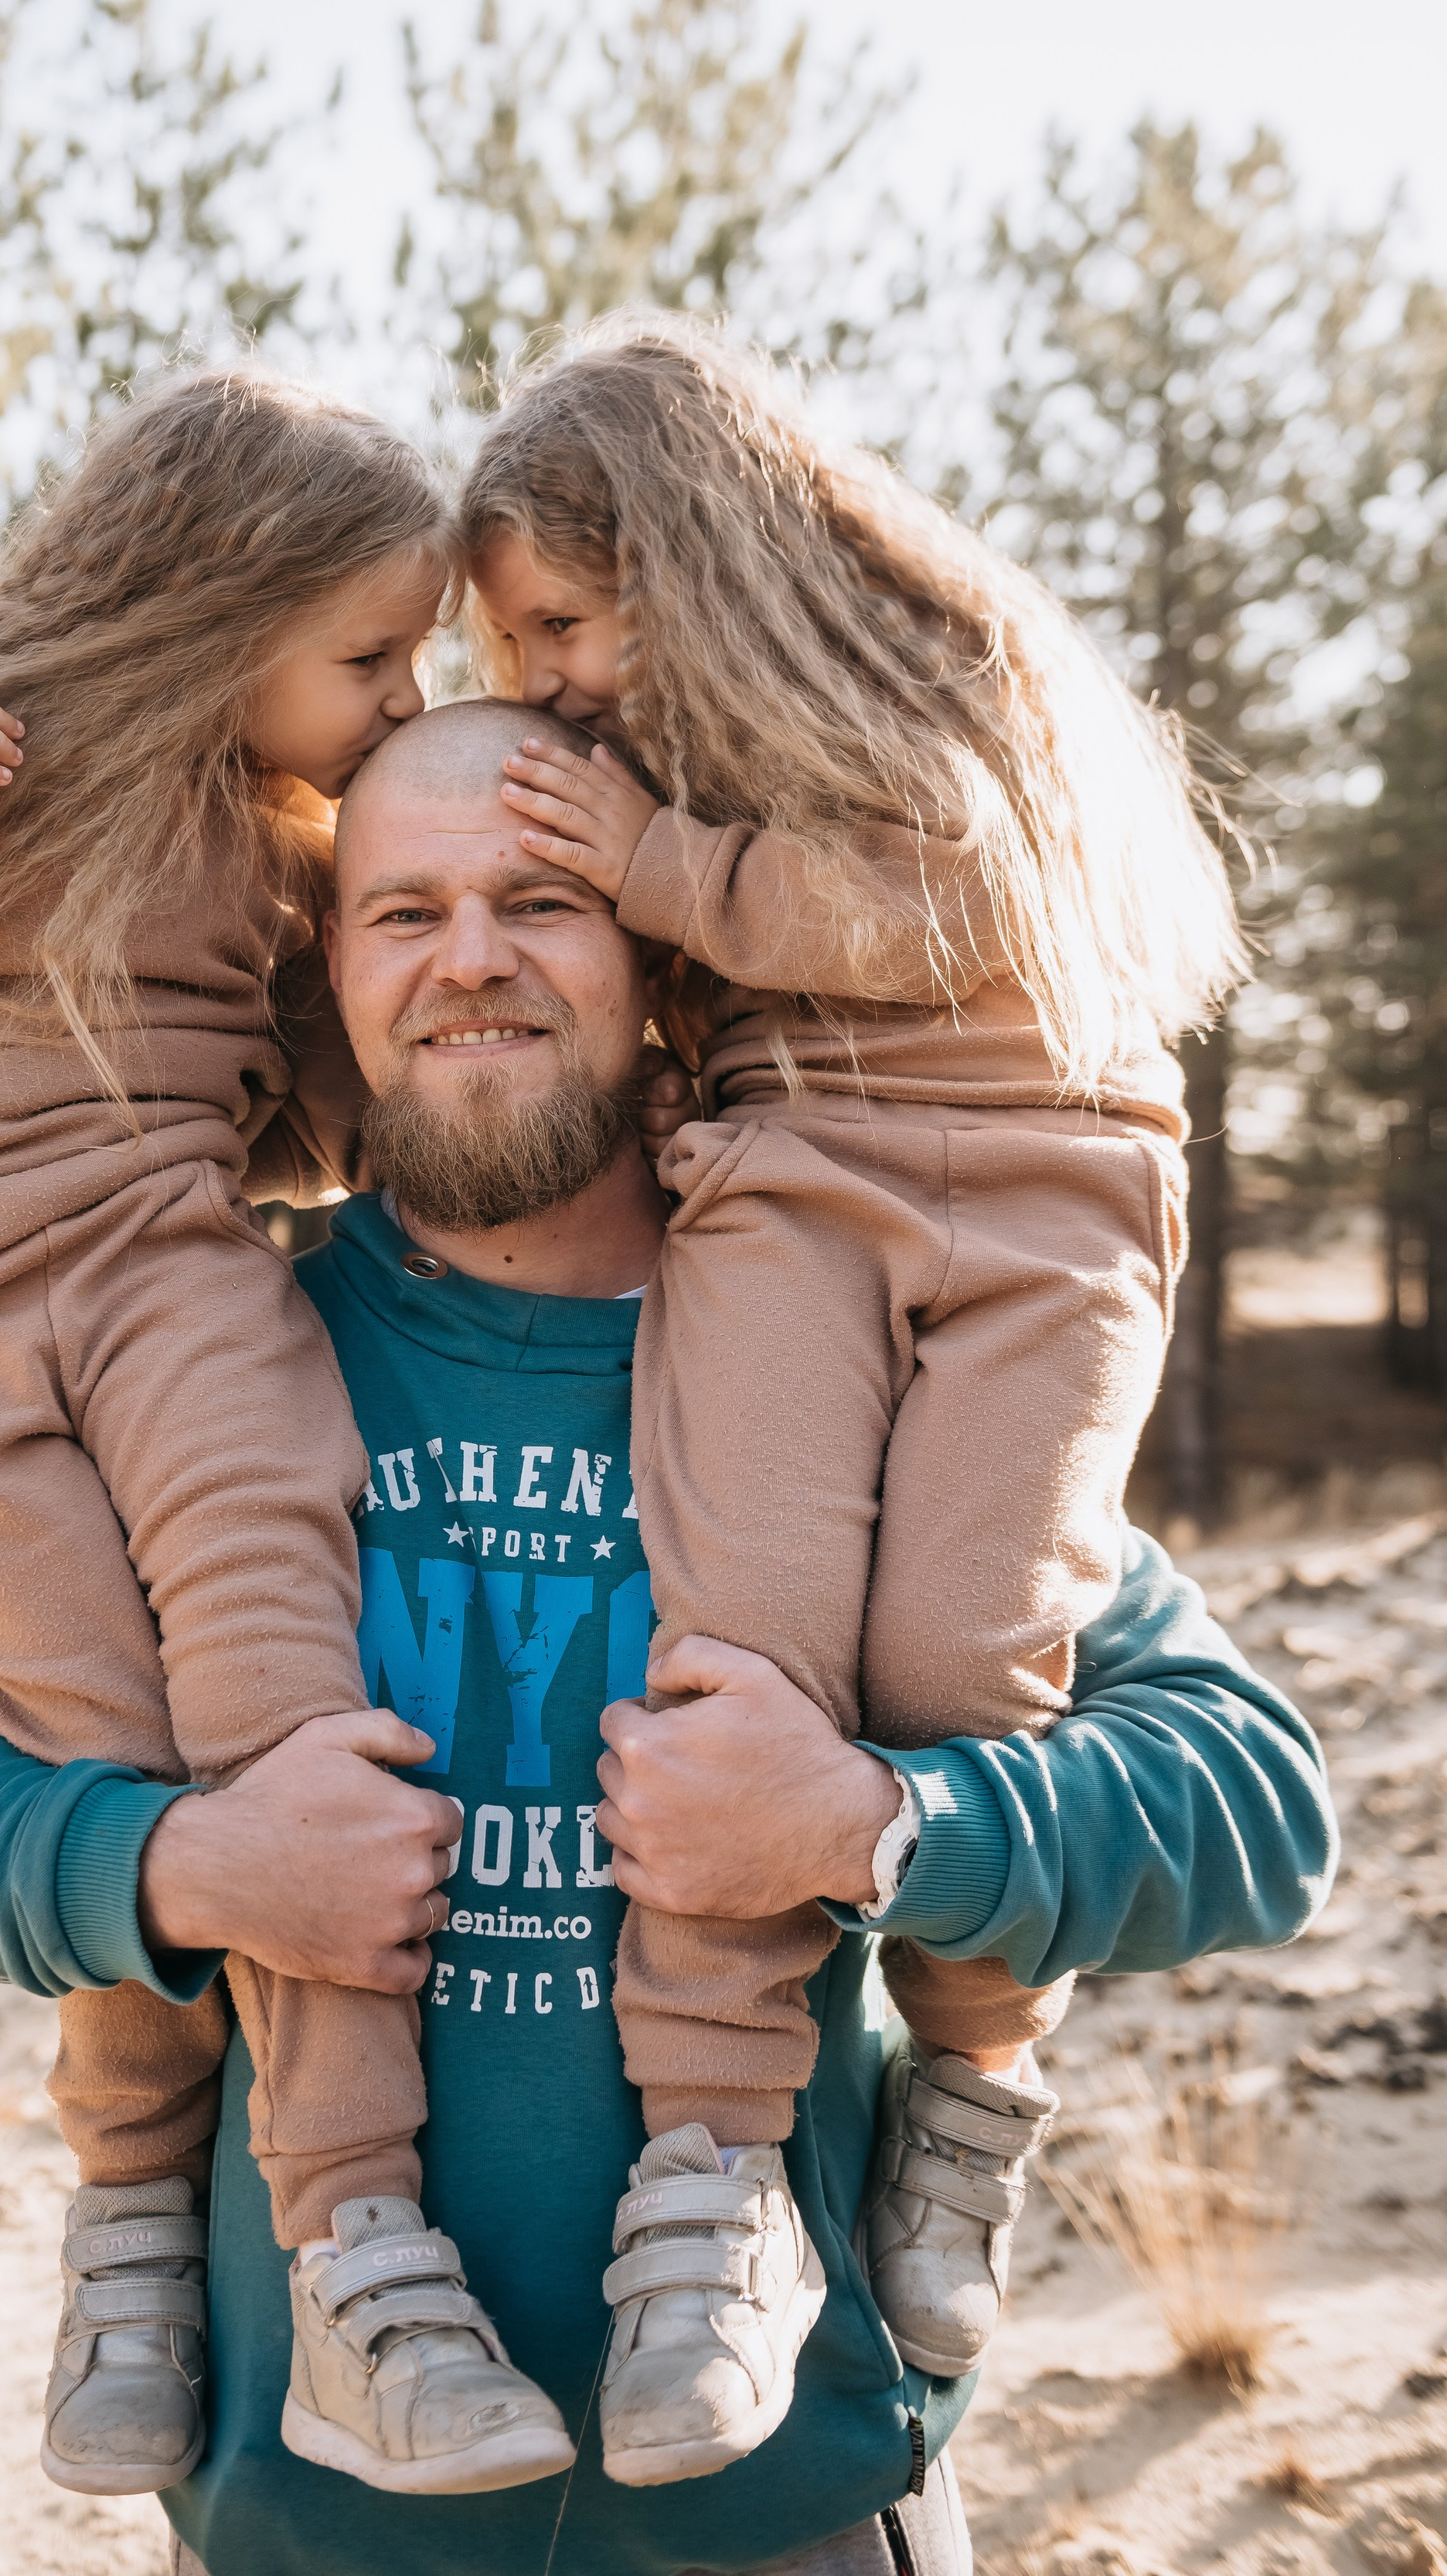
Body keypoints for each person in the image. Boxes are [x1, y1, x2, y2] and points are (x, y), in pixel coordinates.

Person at [0, 698, 1337, 2573]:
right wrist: (183, 1867)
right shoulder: (197, 1361)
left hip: (788, 2503)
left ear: (658, 955)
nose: (470, 958)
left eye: (541, 898)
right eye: (404, 911)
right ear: (329, 972)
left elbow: (1249, 1805)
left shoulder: (850, 1343)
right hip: (315, 2519)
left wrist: (872, 1825)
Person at [0, 377, 595, 2503]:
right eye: (366, 658)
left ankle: (356, 2232)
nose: (397, 702)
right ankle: (128, 2212)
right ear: (221, 611)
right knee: (115, 1754)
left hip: (173, 1283)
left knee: (282, 1712)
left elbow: (338, 1099)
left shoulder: (289, 852)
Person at [466, 315, 1248, 2405]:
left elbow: (943, 907)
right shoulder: (650, 759)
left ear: (687, 553)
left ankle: (973, 2084)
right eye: (517, 639)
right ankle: (712, 2156)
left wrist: (661, 871)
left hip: (1049, 1194)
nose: (543, 672)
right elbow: (684, 980)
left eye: (561, 619)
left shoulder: (942, 663)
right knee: (745, 1645)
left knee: (962, 1663)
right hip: (795, 1179)